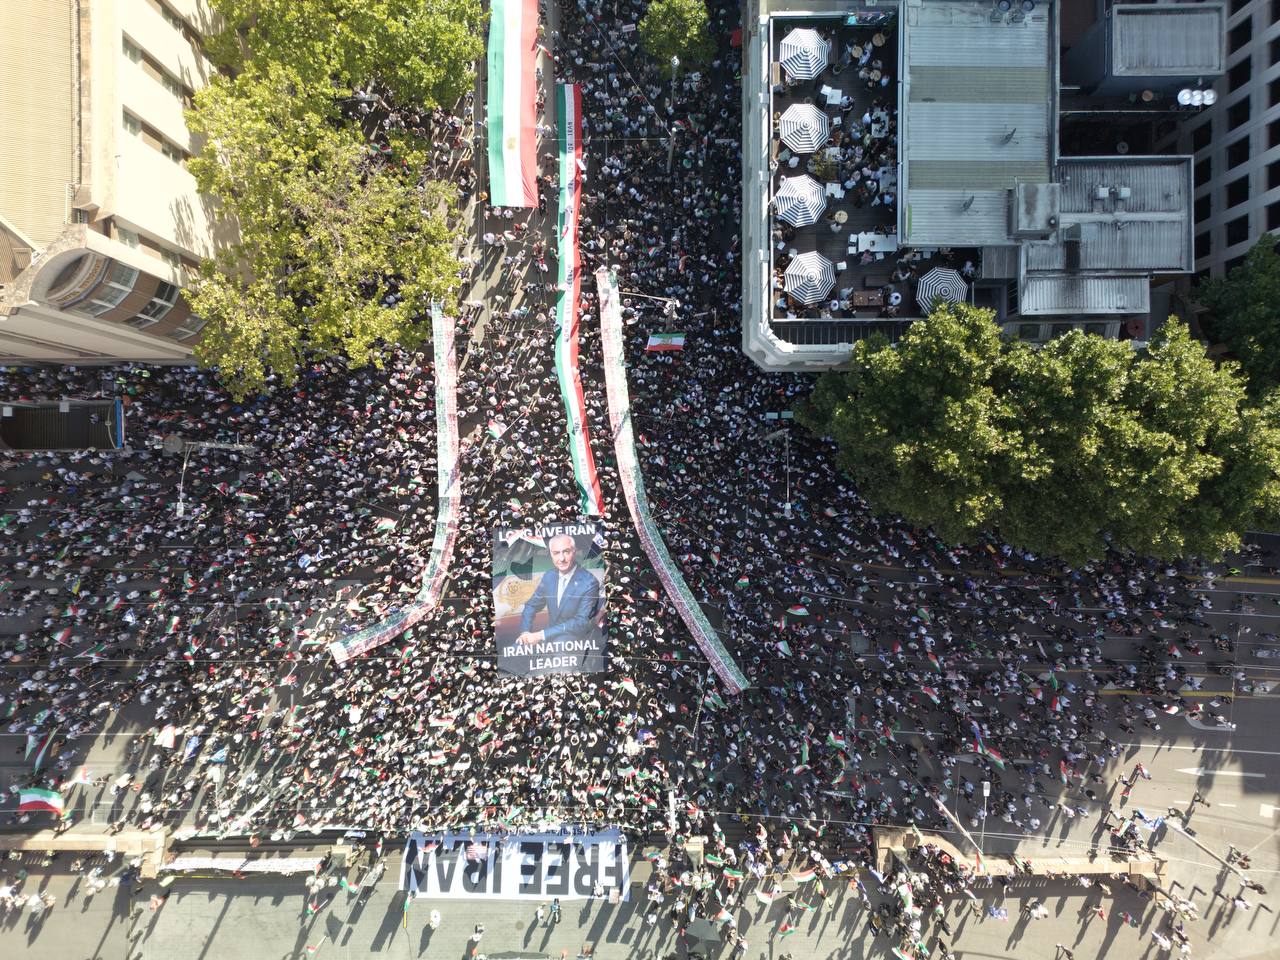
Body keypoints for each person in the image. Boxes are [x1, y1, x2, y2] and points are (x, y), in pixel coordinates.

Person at [516, 535, 602, 646]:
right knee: (516, 648)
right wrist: (525, 632)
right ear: (551, 554)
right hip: (549, 636)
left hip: (574, 638)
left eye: (566, 552)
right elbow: (531, 605)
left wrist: (541, 635)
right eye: (556, 553)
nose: (561, 559)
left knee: (560, 646)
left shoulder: (589, 582)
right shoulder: (549, 576)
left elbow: (580, 622)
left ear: (574, 552)